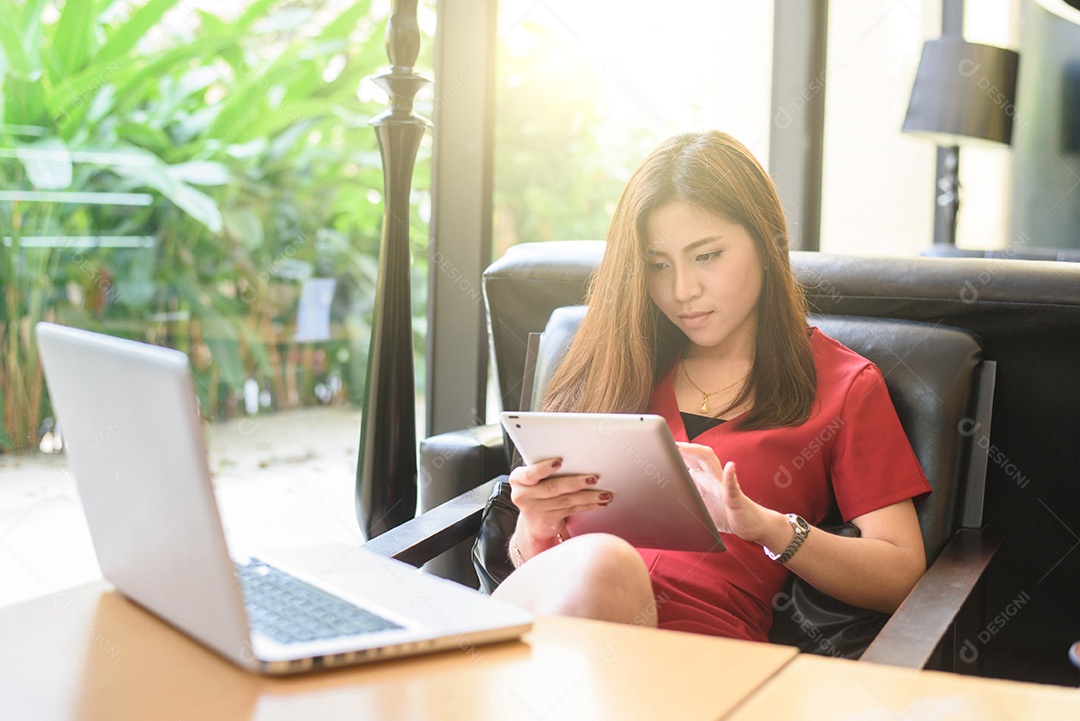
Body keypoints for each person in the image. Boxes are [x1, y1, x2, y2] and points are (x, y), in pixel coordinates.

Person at [491, 131, 931, 642]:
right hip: (557, 631)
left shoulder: (844, 386)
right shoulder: (613, 362)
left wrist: (768, 527)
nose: (683, 291)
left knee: (605, 565)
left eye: (707, 256)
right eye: (658, 265)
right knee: (601, 566)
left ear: (767, 243)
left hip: (699, 651)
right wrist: (536, 527)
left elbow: (901, 576)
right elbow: (531, 568)